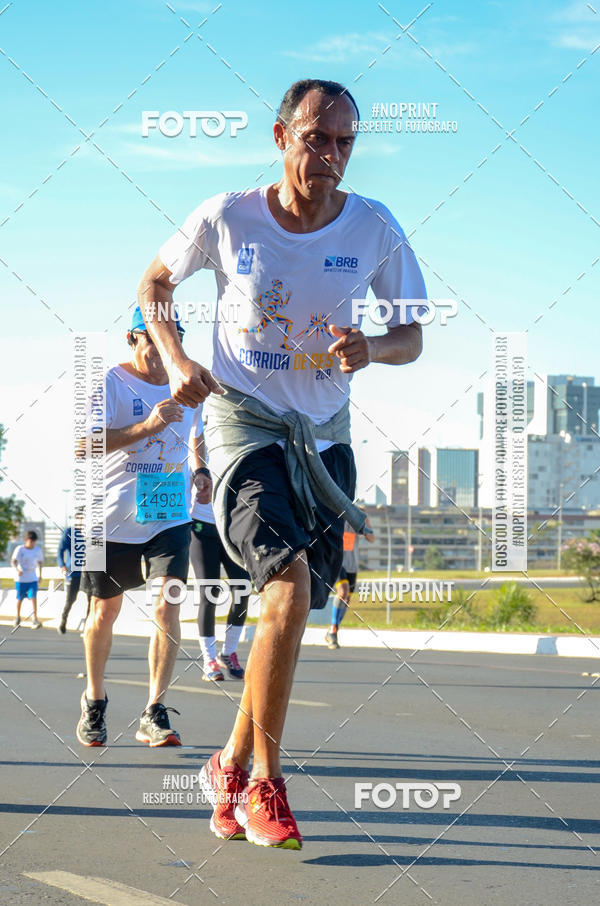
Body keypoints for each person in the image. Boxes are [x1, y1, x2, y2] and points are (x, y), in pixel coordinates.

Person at [138, 78, 426, 849]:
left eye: (344, 143)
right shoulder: (227, 215)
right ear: (280, 137)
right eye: (315, 139)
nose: (329, 155)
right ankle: (265, 783)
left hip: (324, 436)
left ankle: (226, 763)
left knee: (290, 612)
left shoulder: (374, 227)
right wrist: (173, 358)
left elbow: (411, 337)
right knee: (288, 582)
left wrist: (375, 348)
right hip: (242, 422)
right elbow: (155, 283)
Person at [76, 306, 195, 748]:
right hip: (106, 515)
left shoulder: (187, 380)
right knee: (104, 612)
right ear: (134, 338)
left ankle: (154, 710)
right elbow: (83, 444)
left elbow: (200, 434)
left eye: (175, 336)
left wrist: (201, 473)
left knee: (167, 604)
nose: (166, 348)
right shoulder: (109, 382)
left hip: (168, 511)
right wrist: (146, 426)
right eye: (157, 338)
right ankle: (94, 699)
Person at [189, 405, 250, 682]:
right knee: (209, 593)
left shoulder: (240, 432)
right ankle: (209, 659)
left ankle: (230, 652)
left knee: (242, 589)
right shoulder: (200, 423)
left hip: (233, 526)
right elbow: (194, 443)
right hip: (202, 527)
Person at [325, 522, 359, 650]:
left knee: (347, 599)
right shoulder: (336, 512)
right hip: (338, 562)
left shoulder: (358, 515)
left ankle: (332, 631)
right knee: (342, 592)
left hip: (352, 565)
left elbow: (371, 538)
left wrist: (363, 524)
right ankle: (333, 629)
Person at [56, 521, 91, 634]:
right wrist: (62, 565)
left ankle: (87, 625)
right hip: (74, 573)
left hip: (89, 573)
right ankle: (63, 620)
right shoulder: (69, 532)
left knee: (92, 600)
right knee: (71, 599)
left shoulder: (94, 531)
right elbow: (60, 550)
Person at [12, 530, 43, 628]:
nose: (32, 543)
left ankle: (34, 618)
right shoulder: (20, 549)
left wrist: (40, 575)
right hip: (21, 578)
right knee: (20, 598)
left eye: (34, 541)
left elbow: (40, 562)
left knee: (33, 597)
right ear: (26, 540)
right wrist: (17, 570)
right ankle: (17, 617)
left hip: (32, 578)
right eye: (31, 541)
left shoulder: (37, 550)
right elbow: (13, 561)